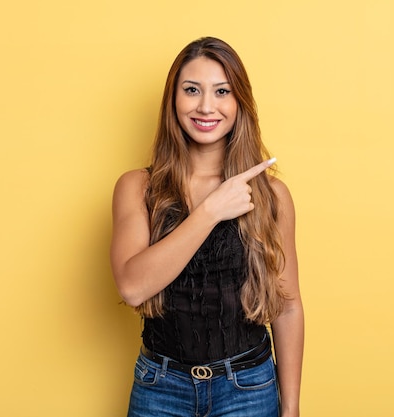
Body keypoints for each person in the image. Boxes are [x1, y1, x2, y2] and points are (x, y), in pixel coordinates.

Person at [110, 36, 304, 417]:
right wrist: (210, 210)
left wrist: (292, 408)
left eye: (221, 91)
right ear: (174, 100)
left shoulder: (271, 196)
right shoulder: (137, 187)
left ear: (239, 103)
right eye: (192, 90)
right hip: (160, 389)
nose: (205, 106)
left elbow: (288, 307)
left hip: (248, 388)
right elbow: (132, 288)